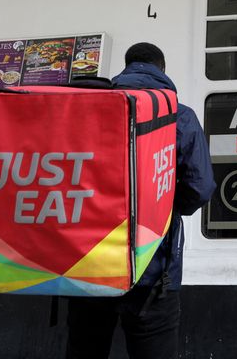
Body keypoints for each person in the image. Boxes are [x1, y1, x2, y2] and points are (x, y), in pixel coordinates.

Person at [66, 42, 216, 359]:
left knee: (85, 352)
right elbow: (200, 187)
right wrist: (169, 208)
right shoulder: (180, 116)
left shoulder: (87, 112)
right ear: (162, 70)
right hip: (154, 269)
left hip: (88, 266)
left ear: (126, 66)